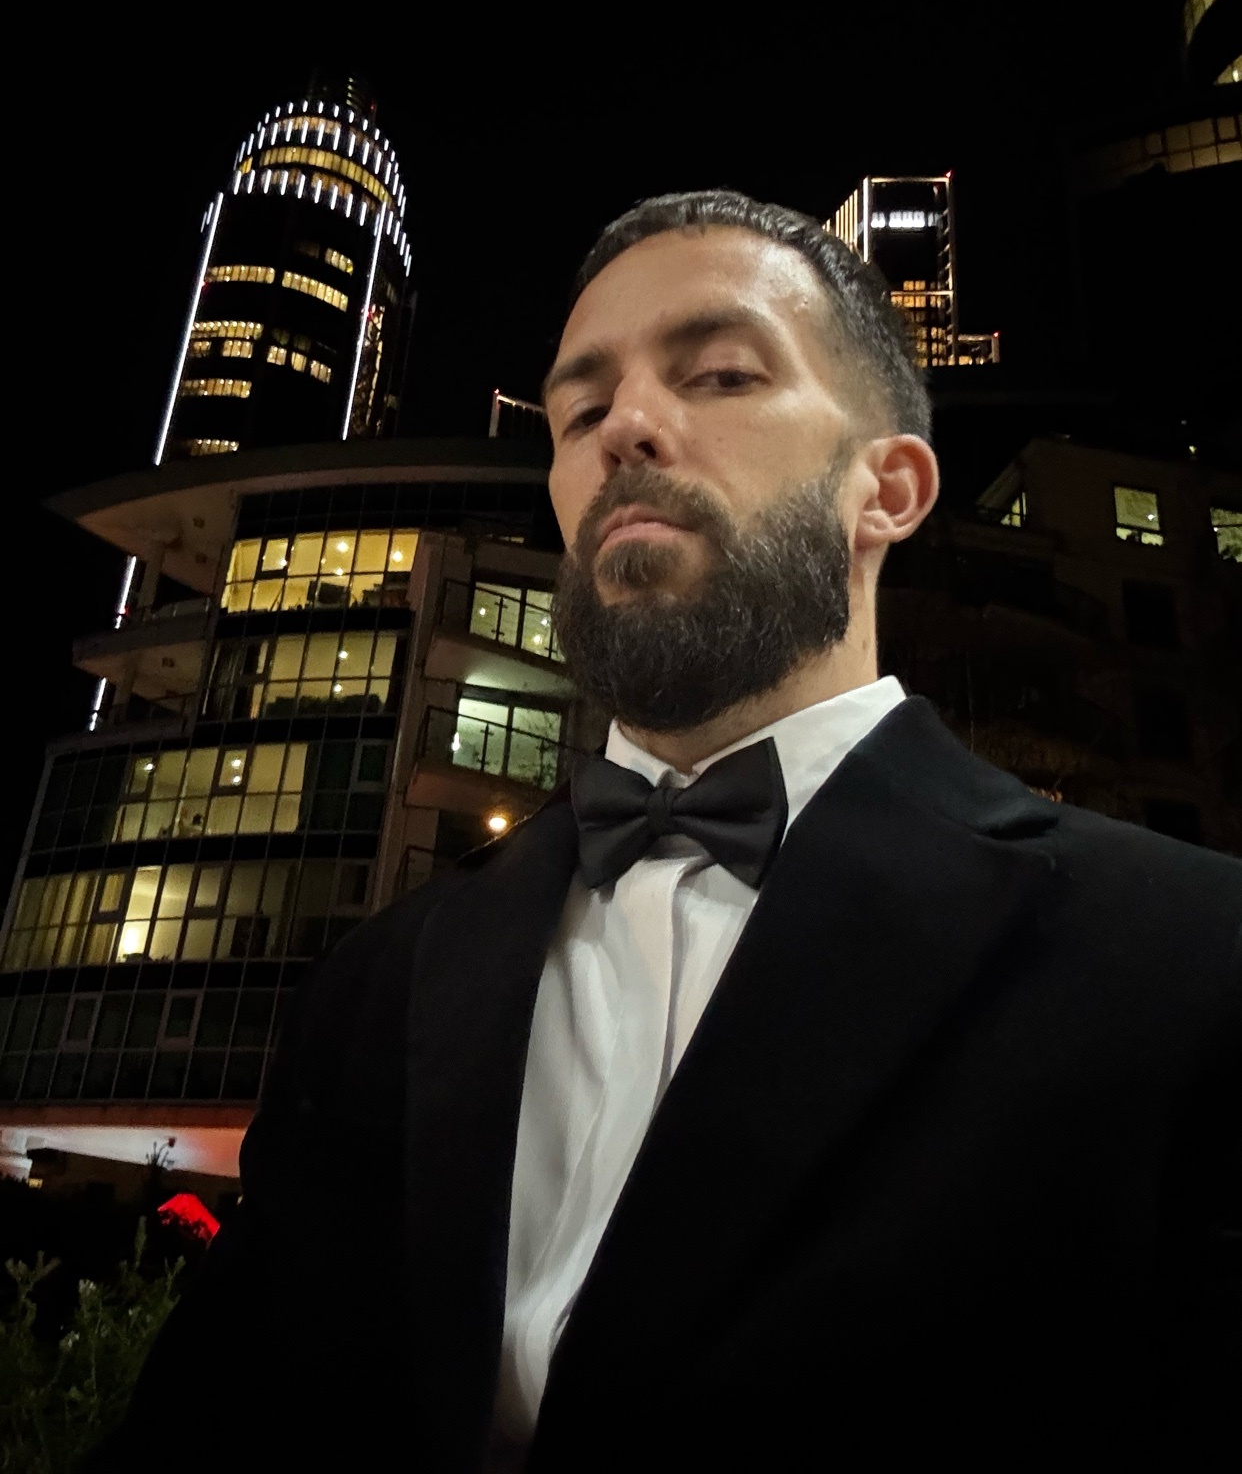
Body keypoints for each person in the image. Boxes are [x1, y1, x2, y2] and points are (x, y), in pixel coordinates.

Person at [94, 192, 1239, 1472]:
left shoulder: (1194, 959)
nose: (625, 426)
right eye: (581, 412)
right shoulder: (376, 984)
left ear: (890, 488)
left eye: (723, 374)